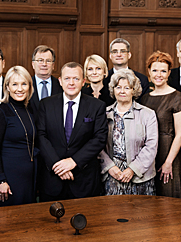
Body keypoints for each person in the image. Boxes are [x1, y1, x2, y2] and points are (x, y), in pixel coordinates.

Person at [37, 62, 108, 201]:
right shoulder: (46, 104)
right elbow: (40, 135)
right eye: (67, 79)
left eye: (76, 79)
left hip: (83, 180)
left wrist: (73, 161)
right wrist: (58, 166)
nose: (71, 83)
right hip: (53, 179)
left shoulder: (96, 106)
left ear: (83, 82)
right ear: (60, 82)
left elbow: (99, 138)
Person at [99, 69, 158, 196]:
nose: (122, 91)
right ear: (113, 90)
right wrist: (109, 167)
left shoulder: (148, 114)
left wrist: (133, 169)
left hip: (141, 176)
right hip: (113, 174)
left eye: (127, 87)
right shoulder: (103, 114)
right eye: (118, 87)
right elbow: (97, 144)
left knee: (142, 214)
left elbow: (151, 146)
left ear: (134, 90)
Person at [139, 51, 181, 198]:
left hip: (168, 152)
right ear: (149, 72)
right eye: (154, 70)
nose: (158, 74)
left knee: (168, 197)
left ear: (168, 73)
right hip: (147, 154)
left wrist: (168, 162)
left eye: (163, 71)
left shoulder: (177, 97)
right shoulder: (144, 98)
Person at [0, 66, 38, 206]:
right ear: (7, 87)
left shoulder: (30, 109)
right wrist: (0, 180)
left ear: (29, 86)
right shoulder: (1, 112)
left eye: (24, 84)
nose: (19, 89)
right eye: (14, 84)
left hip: (28, 178)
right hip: (8, 179)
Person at [103, 38, 151, 104]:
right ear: (110, 56)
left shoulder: (142, 79)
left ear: (129, 55)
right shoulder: (104, 78)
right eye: (115, 51)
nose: (119, 54)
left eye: (122, 51)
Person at [28, 45, 62, 115]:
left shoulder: (61, 85)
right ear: (33, 64)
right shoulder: (26, 85)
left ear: (53, 65)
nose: (44, 64)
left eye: (48, 61)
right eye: (40, 60)